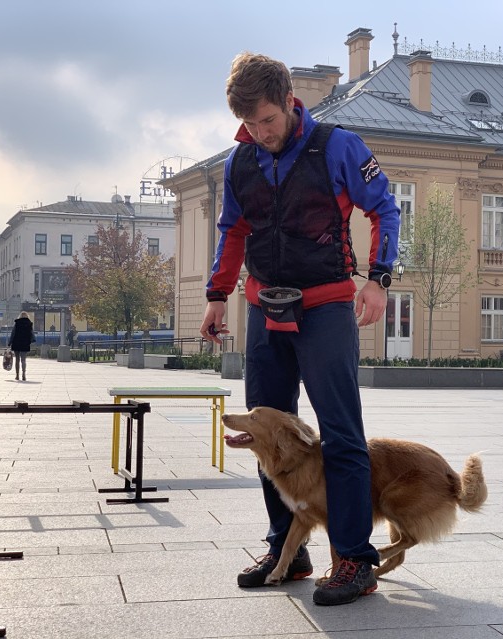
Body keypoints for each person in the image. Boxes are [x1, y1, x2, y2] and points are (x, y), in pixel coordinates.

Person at [200, 52, 400, 606]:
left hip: (327, 308)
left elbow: (384, 209)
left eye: (267, 121)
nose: (260, 134)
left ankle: (355, 559)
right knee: (267, 434)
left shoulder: (338, 146)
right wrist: (218, 296)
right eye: (249, 125)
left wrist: (378, 280)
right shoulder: (238, 162)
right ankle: (286, 550)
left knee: (340, 433)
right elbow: (233, 231)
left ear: (290, 102)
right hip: (265, 309)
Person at [8, 311, 34, 381]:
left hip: (16, 343)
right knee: (23, 360)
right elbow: (31, 333)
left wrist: (10, 342)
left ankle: (17, 375)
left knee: (17, 360)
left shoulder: (17, 323)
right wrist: (31, 341)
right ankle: (24, 374)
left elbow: (13, 333)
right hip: (25, 343)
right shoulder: (29, 324)